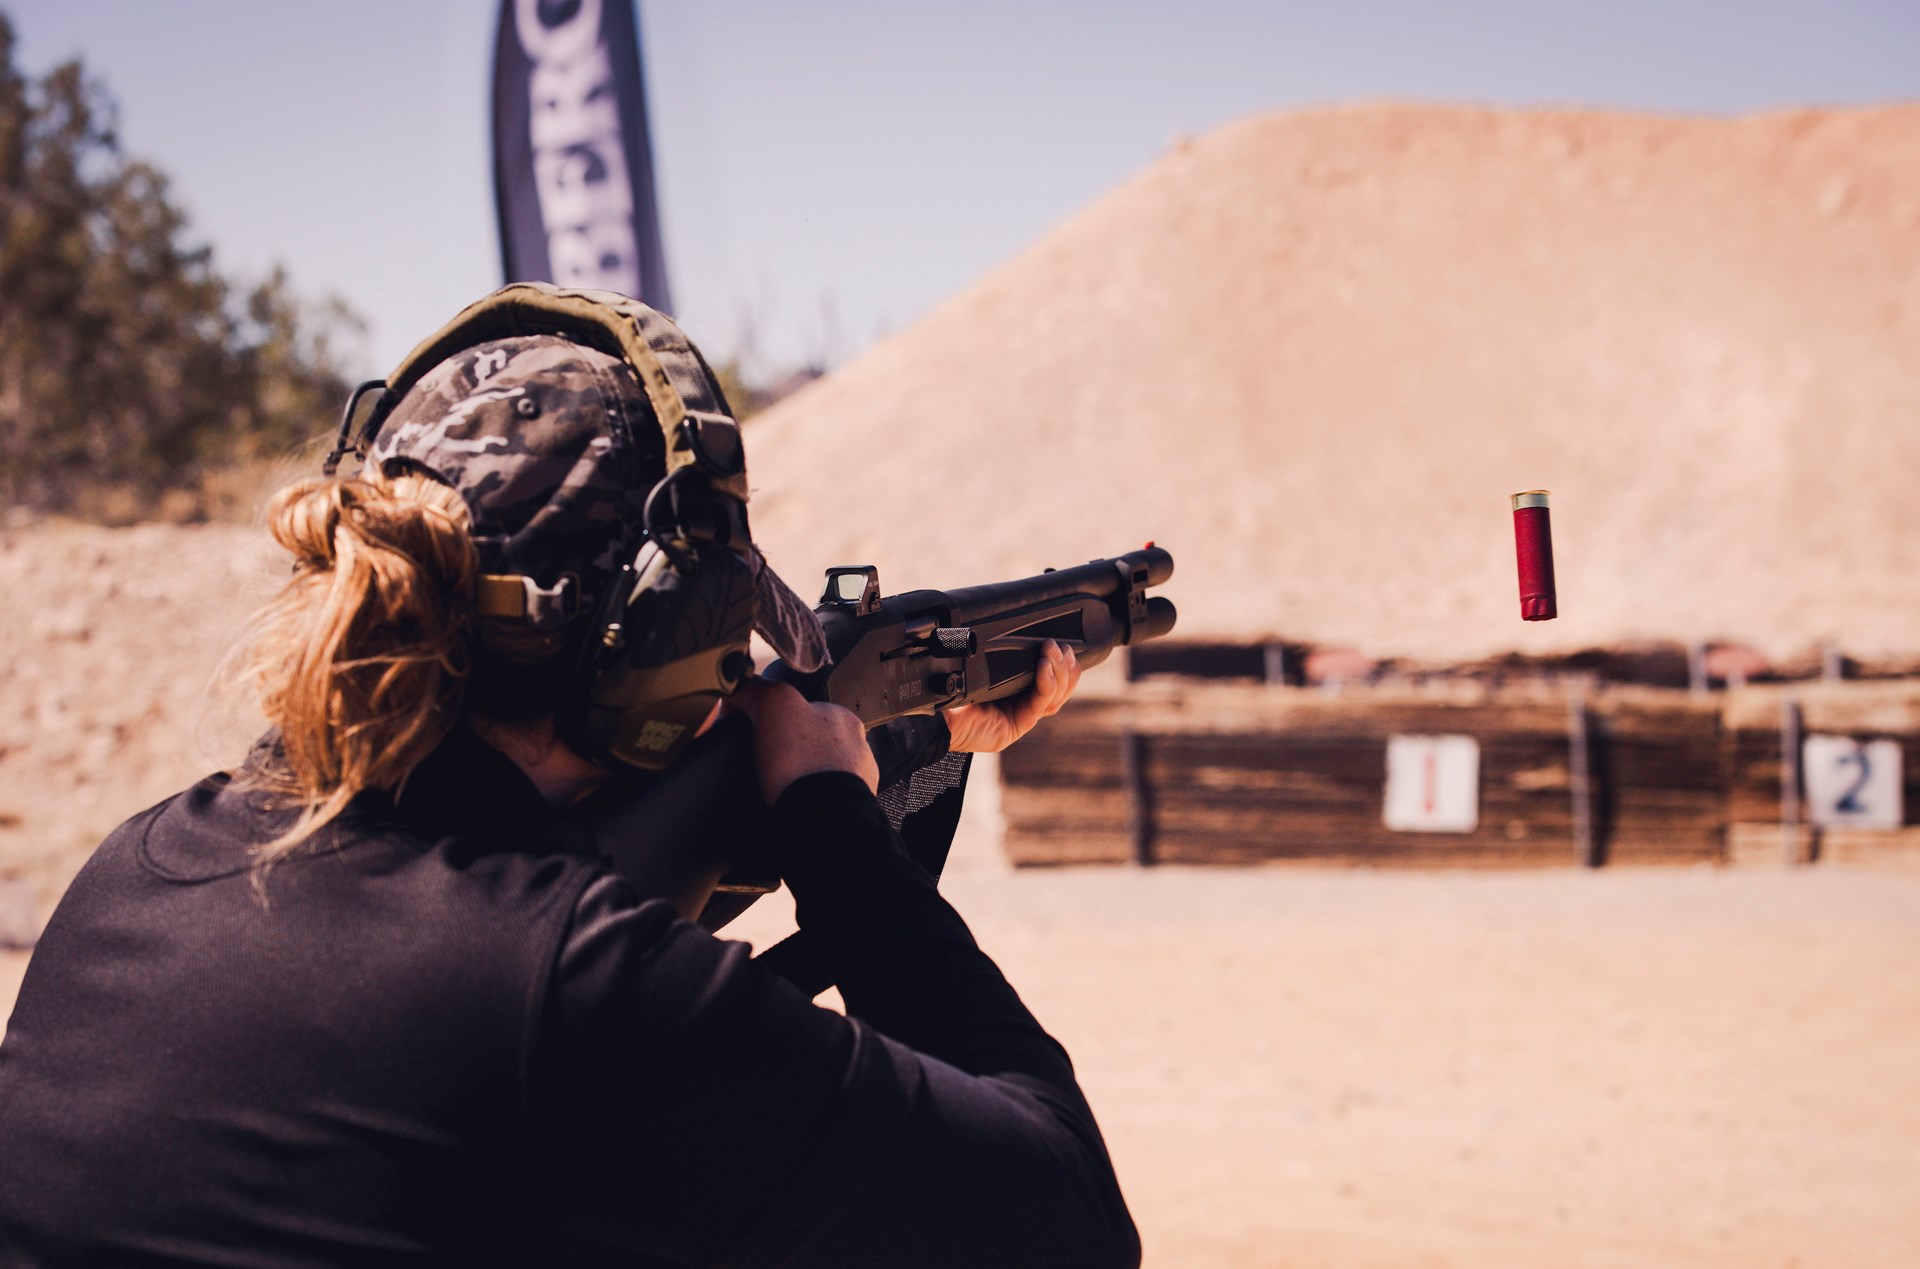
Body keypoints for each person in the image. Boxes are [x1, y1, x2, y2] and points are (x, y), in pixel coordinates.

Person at [0, 289, 1140, 1267]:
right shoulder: (561, 979)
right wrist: (834, 817)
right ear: (648, 642)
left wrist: (919, 741)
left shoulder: (138, 867)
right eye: (721, 652)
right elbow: (1067, 1219)